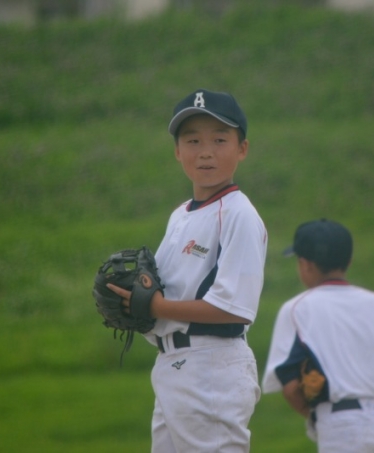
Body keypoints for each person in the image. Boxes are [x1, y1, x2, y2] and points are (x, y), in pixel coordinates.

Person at [108, 89, 267, 453]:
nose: (205, 152)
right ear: (178, 151)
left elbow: (234, 309)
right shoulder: (181, 215)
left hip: (211, 366)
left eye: (219, 140)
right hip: (173, 364)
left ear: (242, 148)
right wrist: (137, 302)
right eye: (192, 140)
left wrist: (155, 307)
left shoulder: (238, 214)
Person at [261, 219, 374, 453]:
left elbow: (290, 387)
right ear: (348, 261)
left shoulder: (297, 309)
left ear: (305, 265)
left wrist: (319, 415)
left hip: (342, 428)